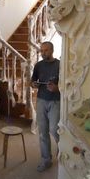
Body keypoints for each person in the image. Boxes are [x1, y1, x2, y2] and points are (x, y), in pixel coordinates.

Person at [31, 41, 60, 172]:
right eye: (41, 51)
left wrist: (57, 88)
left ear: (52, 50)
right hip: (41, 100)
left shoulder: (60, 65)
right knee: (43, 132)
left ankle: (63, 152)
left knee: (55, 130)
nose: (43, 53)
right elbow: (32, 81)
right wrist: (33, 85)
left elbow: (67, 84)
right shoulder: (38, 65)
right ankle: (46, 160)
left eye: (46, 50)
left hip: (55, 101)